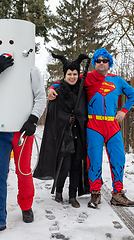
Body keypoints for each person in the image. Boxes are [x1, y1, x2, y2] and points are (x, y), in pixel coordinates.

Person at [49, 48, 134, 209]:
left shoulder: (117, 80)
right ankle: (95, 193)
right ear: (94, 63)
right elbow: (68, 81)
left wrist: (123, 111)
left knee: (119, 159)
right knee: (94, 160)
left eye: (104, 60)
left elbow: (132, 94)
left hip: (112, 125)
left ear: (109, 63)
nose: (101, 63)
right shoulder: (86, 78)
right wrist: (52, 88)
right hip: (94, 126)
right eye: (98, 61)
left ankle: (118, 194)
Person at [0, 54, 46, 238]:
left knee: (24, 171)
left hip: (22, 131)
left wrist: (33, 119)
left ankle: (26, 205)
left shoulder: (32, 69)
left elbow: (40, 97)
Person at [33, 53, 90, 208]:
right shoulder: (57, 91)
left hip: (78, 134)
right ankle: (58, 191)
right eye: (69, 74)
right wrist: (66, 119)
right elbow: (54, 113)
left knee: (76, 165)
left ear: (79, 74)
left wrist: (78, 117)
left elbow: (83, 111)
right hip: (64, 135)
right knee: (64, 165)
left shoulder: (82, 90)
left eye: (75, 74)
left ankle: (72, 196)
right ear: (64, 75)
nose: (72, 77)